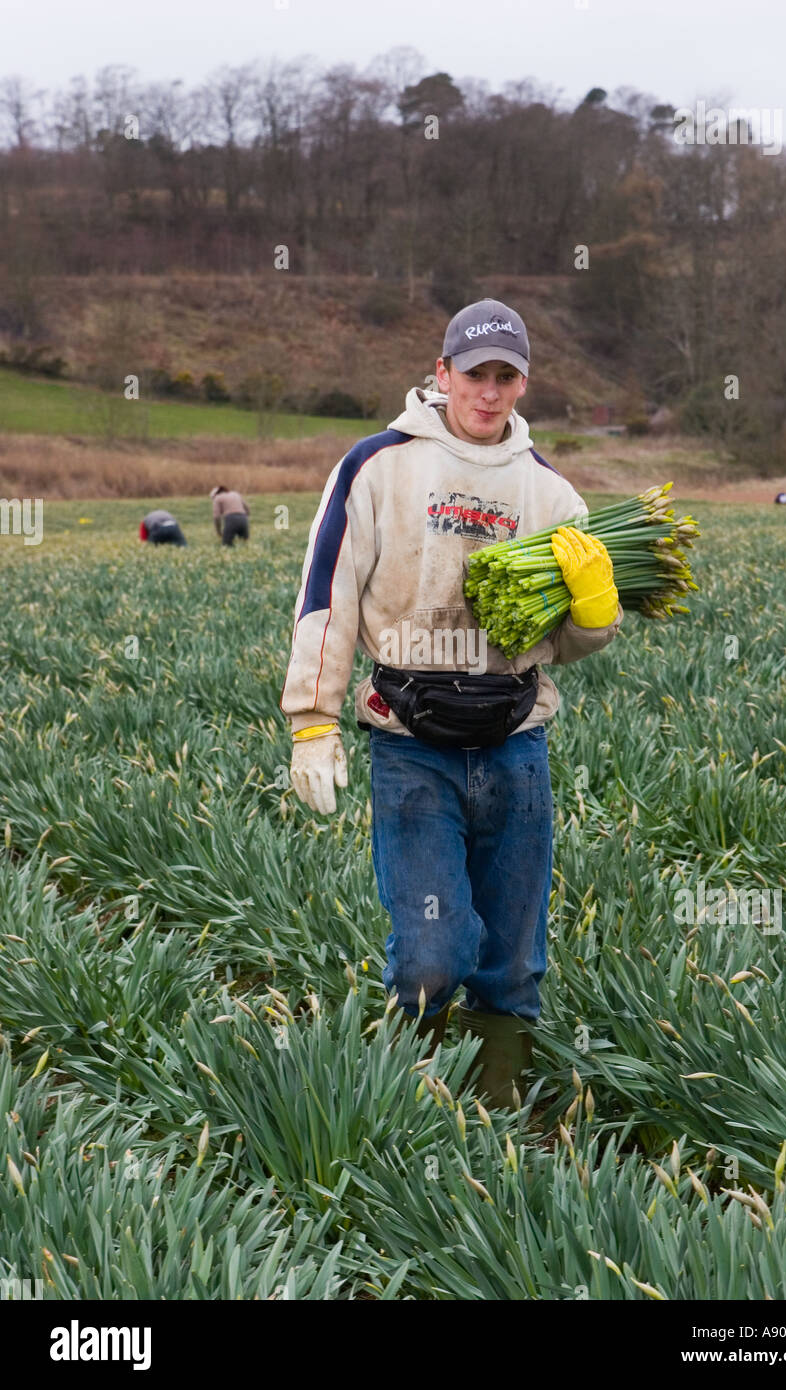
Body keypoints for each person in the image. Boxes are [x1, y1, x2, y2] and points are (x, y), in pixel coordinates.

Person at [280, 298, 623, 1110]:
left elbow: (564, 643)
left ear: (523, 382)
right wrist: (314, 721)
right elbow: (325, 594)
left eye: (507, 376)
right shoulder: (377, 466)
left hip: (515, 745)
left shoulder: (552, 494)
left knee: (511, 967)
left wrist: (596, 616)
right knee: (433, 956)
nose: (490, 392)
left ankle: (496, 1130)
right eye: (475, 374)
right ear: (442, 374)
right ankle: (417, 1112)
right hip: (410, 746)